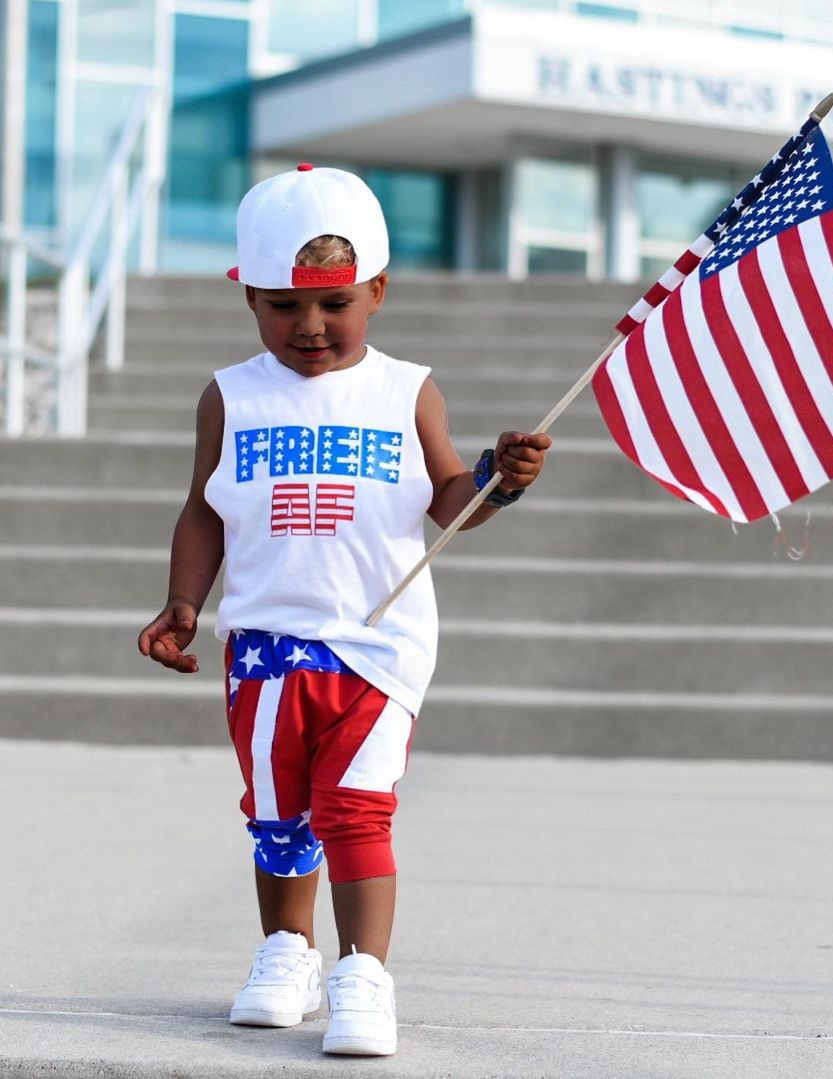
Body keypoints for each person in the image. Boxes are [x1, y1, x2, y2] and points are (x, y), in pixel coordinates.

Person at [137, 163, 551, 1058]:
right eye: (284, 305)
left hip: (375, 642)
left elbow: (449, 499)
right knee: (277, 810)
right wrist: (183, 600)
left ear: (378, 291)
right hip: (265, 643)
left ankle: (363, 972)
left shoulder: (406, 390)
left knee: (356, 807)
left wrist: (497, 479)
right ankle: (287, 951)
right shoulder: (231, 395)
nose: (311, 325)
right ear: (249, 297)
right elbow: (205, 507)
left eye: (334, 303)